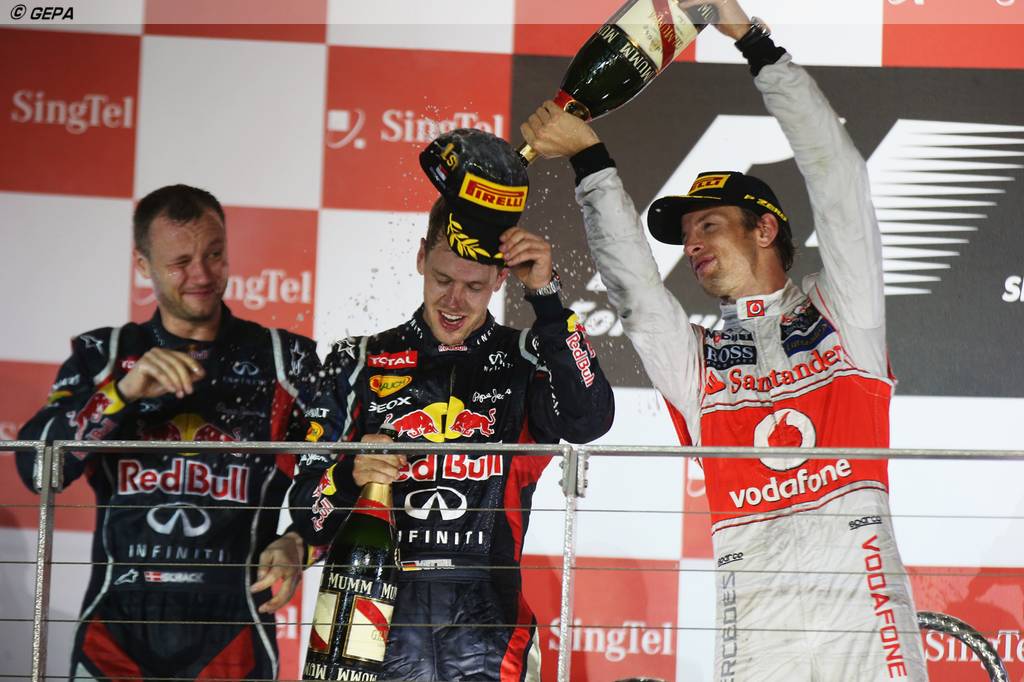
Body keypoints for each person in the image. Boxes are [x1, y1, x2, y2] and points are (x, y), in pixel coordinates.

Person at [520, 2, 929, 680]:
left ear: (764, 230)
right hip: (757, 625)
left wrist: (751, 41)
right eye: (687, 237)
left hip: (864, 613)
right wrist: (590, 161)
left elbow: (838, 177)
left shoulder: (844, 315)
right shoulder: (700, 367)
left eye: (708, 226)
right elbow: (637, 294)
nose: (693, 246)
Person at [291, 129, 615, 681]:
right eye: (443, 278)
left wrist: (547, 299)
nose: (454, 300)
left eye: (474, 285)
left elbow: (590, 420)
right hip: (369, 609)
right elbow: (308, 516)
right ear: (421, 257)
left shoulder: (527, 356)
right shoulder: (357, 359)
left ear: (501, 278)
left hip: (489, 624)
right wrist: (348, 475)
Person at [16, 185, 322, 681]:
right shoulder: (105, 356)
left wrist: (301, 542)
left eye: (214, 255)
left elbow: (339, 473)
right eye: (180, 262)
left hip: (232, 632)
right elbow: (37, 469)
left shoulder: (286, 360)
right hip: (116, 634)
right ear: (143, 264)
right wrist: (120, 394)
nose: (201, 275)